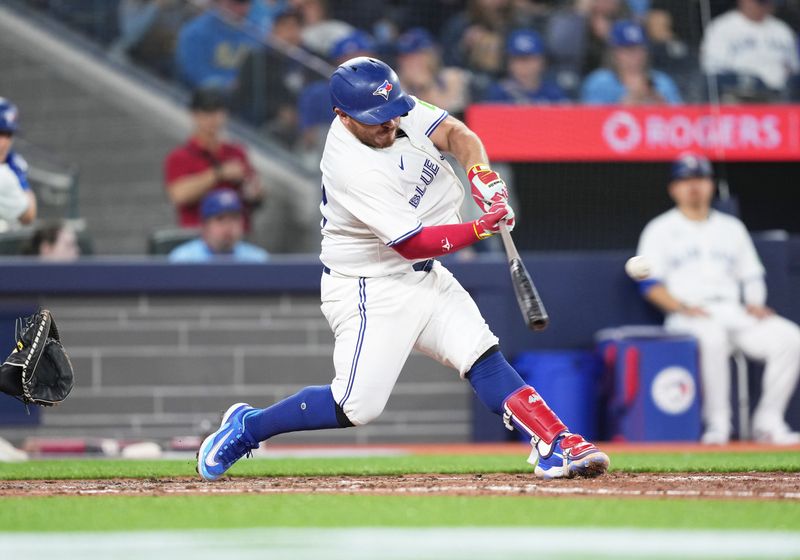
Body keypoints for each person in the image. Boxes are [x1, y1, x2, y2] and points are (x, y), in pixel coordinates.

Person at [197, 57, 609, 482]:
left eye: (393, 113)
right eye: (375, 119)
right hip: (370, 288)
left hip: (425, 275)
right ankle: (249, 426)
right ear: (342, 115)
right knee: (355, 406)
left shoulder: (397, 109)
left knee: (480, 355)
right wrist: (481, 228)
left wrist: (481, 175)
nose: (388, 125)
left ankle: (556, 442)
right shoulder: (350, 166)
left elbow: (456, 133)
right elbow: (411, 243)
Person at [635, 153, 800, 445]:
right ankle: (718, 426)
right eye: (685, 180)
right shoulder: (659, 229)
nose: (693, 186)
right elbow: (649, 285)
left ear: (710, 184)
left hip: (732, 311)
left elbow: (751, 275)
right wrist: (682, 307)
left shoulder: (731, 228)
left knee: (791, 338)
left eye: (699, 179)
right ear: (674, 188)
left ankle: (768, 422)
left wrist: (754, 301)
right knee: (712, 338)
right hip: (687, 314)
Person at [164, 89, 264, 229]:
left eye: (217, 112)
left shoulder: (237, 152)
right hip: (197, 237)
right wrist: (219, 174)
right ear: (194, 115)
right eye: (207, 113)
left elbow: (255, 194)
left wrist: (255, 191)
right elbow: (179, 195)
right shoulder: (180, 156)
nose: (213, 119)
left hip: (237, 236)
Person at [233, 8, 306, 142]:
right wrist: (278, 110)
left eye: (297, 27)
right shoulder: (256, 59)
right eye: (287, 27)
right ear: (274, 30)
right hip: (256, 125)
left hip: (293, 129)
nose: (292, 33)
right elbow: (245, 96)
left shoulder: (303, 65)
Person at [701, 0, 799, 100]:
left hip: (781, 96)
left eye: (767, 3)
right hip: (741, 95)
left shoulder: (782, 30)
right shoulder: (721, 27)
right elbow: (712, 70)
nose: (765, 6)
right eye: (760, 2)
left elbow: (793, 69)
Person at [581, 20, 683, 105]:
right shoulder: (600, 82)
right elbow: (592, 120)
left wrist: (662, 105)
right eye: (628, 49)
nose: (635, 55)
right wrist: (627, 104)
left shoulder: (662, 81)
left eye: (639, 49)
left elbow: (680, 116)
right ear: (614, 52)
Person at [174, 0, 261, 90]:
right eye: (236, 2)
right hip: (199, 96)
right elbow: (193, 73)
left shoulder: (252, 35)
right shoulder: (196, 31)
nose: (241, 9)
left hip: (238, 97)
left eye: (245, 3)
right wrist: (225, 85)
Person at [169, 189, 269, 262]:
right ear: (204, 226)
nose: (228, 226)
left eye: (234, 219)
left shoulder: (258, 259)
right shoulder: (183, 259)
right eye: (220, 219)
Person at [394, 28, 472, 116]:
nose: (409, 63)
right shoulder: (396, 87)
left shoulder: (452, 77)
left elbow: (452, 115)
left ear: (431, 55)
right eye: (404, 58)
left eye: (417, 56)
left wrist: (427, 86)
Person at [483, 29, 568, 103]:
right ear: (508, 63)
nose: (524, 66)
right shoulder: (498, 94)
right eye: (518, 59)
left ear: (543, 62)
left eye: (530, 59)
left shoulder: (554, 93)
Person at [0, 98, 36, 226]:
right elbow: (29, 214)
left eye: (8, 134)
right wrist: (21, 181)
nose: (4, 142)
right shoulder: (4, 175)